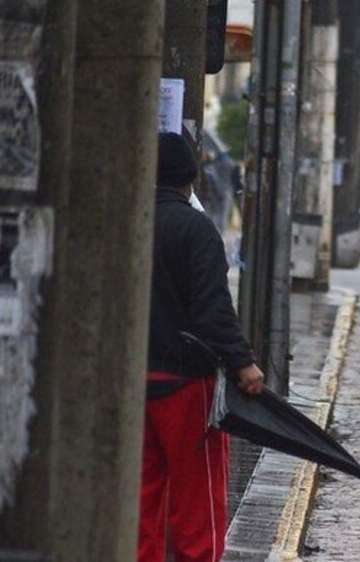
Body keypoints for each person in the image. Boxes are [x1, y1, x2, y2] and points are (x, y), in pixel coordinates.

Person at [139, 132, 264, 562]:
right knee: (198, 501)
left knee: (141, 500)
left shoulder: (124, 222)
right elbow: (213, 310)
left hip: (131, 379)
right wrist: (243, 363)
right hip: (186, 384)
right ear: (190, 178)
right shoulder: (197, 230)